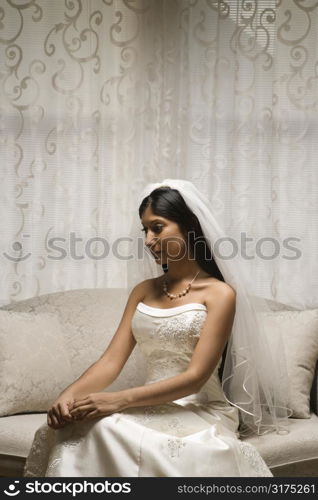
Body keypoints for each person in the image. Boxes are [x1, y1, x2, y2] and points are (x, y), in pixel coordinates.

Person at [23, 179, 291, 477]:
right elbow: (111, 362)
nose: (149, 240)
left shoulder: (220, 294)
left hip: (199, 408)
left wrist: (119, 399)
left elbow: (194, 378)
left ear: (189, 225)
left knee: (109, 427)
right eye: (145, 230)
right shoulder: (143, 291)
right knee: (81, 427)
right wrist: (68, 395)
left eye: (158, 227)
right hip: (147, 404)